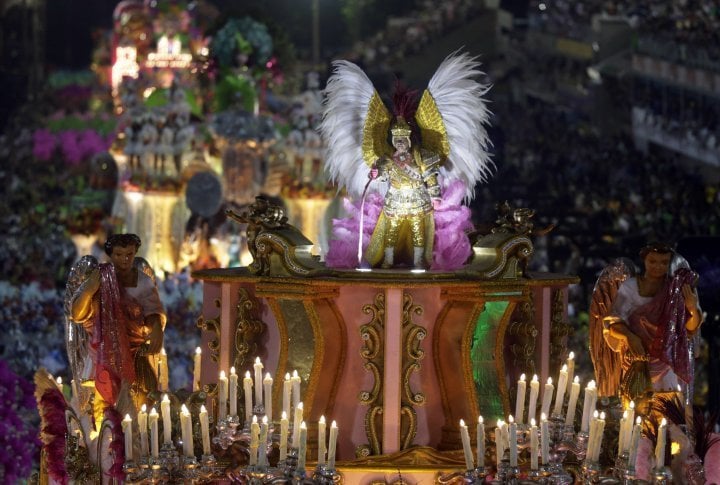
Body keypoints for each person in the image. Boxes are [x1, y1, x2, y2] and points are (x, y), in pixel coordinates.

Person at [70, 233, 166, 428]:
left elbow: (153, 311)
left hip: (136, 354)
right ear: (110, 255)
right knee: (104, 406)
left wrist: (156, 328)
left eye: (129, 254)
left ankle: (141, 442)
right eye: (119, 255)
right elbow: (78, 315)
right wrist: (89, 289)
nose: (125, 260)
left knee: (144, 402)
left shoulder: (144, 282)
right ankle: (106, 446)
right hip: (106, 355)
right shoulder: (100, 279)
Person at [595, 242, 702, 405]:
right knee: (635, 408)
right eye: (653, 261)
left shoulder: (675, 289)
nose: (658, 267)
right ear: (644, 261)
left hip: (666, 361)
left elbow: (689, 329)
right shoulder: (630, 287)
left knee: (668, 412)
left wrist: (692, 309)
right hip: (636, 359)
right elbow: (613, 323)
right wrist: (630, 336)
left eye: (664, 262)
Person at [364, 116, 441, 269]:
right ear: (393, 141)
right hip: (396, 199)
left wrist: (435, 196)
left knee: (418, 229)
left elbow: (430, 177)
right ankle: (388, 259)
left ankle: (418, 260)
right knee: (391, 230)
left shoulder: (420, 157)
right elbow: (381, 176)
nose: (400, 142)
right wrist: (375, 174)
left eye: (403, 139)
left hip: (417, 197)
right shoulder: (387, 160)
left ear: (409, 140)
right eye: (397, 139)